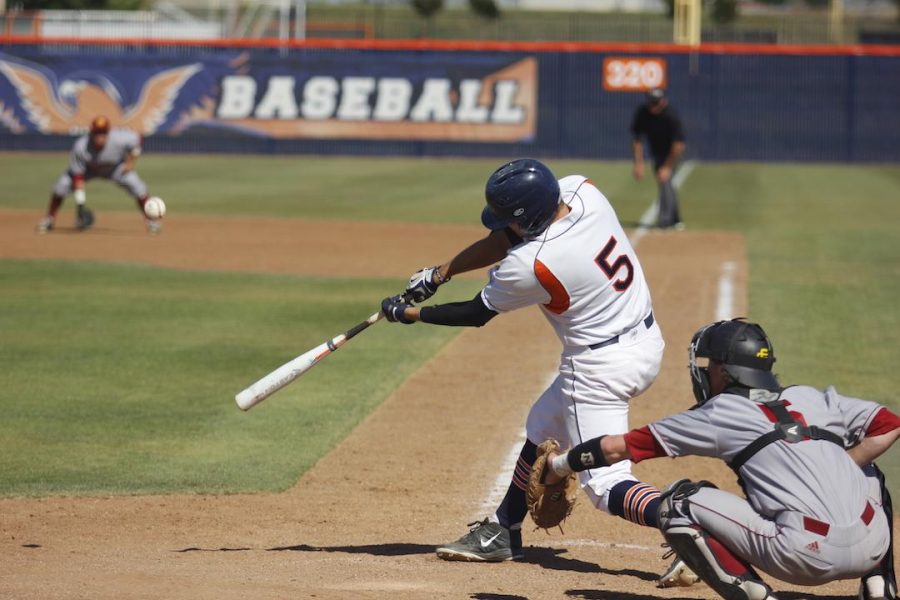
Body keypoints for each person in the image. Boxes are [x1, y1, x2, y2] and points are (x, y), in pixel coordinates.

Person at [380, 158, 676, 571]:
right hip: (644, 341)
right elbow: (505, 237)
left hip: (599, 370)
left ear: (527, 217)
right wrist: (438, 274)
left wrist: (407, 315)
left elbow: (475, 313)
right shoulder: (581, 190)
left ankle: (688, 522)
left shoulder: (534, 264)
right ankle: (504, 530)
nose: (501, 226)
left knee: (606, 485)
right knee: (542, 426)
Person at [538, 318, 898, 600]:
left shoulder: (721, 412)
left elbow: (619, 447)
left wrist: (560, 466)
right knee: (868, 472)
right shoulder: (811, 397)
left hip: (804, 557)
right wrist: (841, 468)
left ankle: (758, 596)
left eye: (709, 364)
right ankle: (880, 586)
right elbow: (889, 423)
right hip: (872, 546)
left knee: (677, 503)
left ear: (724, 372)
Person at [37, 116, 162, 234]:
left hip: (114, 168)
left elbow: (138, 139)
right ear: (91, 133)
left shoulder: (120, 138)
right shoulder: (81, 146)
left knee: (137, 185)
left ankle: (151, 221)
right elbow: (78, 176)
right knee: (61, 185)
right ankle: (49, 219)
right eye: (97, 133)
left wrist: (131, 161)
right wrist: (80, 204)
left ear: (108, 133)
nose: (100, 137)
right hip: (89, 169)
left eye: (103, 133)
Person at [630, 88, 686, 230]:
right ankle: (676, 220)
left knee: (665, 179)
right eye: (651, 103)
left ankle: (665, 221)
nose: (654, 107)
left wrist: (667, 166)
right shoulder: (643, 113)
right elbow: (637, 140)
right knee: (666, 183)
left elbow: (678, 145)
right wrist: (638, 164)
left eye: (656, 103)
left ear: (663, 101)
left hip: (672, 153)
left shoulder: (670, 115)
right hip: (657, 153)